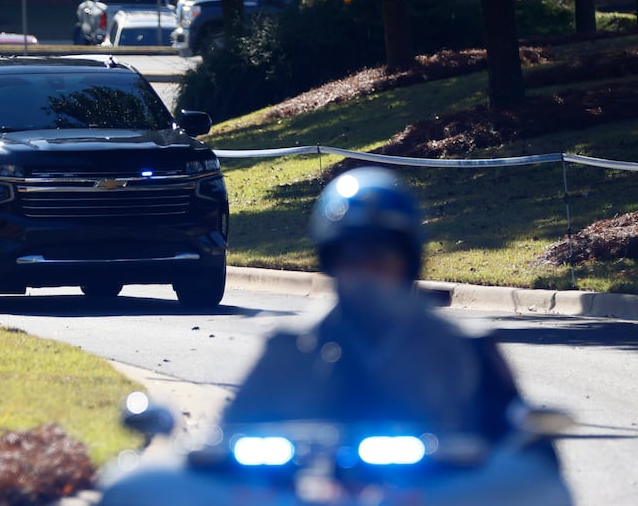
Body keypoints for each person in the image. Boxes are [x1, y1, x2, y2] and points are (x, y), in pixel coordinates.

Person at [224, 166, 524, 442]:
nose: (367, 272)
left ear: (409, 262)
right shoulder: (289, 344)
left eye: (382, 258)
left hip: (439, 495)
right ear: (330, 262)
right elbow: (225, 443)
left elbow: (522, 451)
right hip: (311, 496)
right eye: (351, 258)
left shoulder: (467, 348)